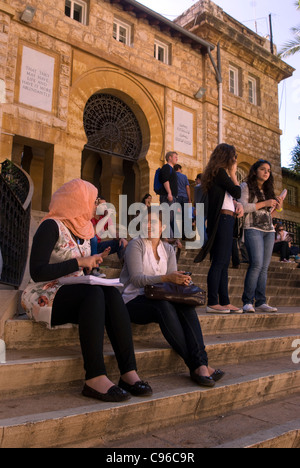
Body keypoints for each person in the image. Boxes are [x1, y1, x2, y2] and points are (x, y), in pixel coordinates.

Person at [21, 179, 152, 402]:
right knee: (93, 294)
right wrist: (80, 263)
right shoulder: (51, 225)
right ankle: (94, 378)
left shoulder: (85, 228)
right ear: (77, 200)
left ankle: (129, 372)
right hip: (46, 294)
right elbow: (38, 271)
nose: (94, 206)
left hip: (76, 291)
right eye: (92, 201)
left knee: (110, 293)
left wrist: (92, 262)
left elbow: (82, 264)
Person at [120, 207, 225, 388]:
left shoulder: (168, 249)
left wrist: (180, 280)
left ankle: (200, 364)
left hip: (159, 297)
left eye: (154, 223)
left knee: (185, 306)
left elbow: (170, 283)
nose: (149, 226)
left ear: (162, 227)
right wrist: (167, 278)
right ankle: (199, 365)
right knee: (163, 306)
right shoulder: (135, 245)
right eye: (146, 222)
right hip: (133, 300)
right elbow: (137, 280)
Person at [194, 144, 244, 314]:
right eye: (233, 156)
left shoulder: (217, 174)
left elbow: (231, 198)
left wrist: (237, 205)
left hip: (227, 219)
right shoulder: (221, 173)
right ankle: (213, 302)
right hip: (222, 219)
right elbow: (237, 191)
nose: (235, 160)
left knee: (223, 263)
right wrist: (233, 173)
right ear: (226, 157)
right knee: (219, 262)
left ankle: (225, 301)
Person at [239, 160, 283, 313]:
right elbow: (243, 207)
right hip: (252, 228)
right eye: (263, 169)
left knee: (264, 267)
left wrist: (277, 206)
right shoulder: (245, 187)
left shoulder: (268, 189)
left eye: (268, 170)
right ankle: (248, 301)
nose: (266, 172)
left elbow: (269, 214)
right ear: (255, 171)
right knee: (256, 264)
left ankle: (261, 301)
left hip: (269, 230)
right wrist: (264, 203)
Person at [159, 151, 179, 238]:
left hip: (172, 197)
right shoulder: (166, 167)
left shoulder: (172, 169)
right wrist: (169, 193)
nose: (177, 158)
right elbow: (165, 180)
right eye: (175, 157)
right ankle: (169, 240)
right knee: (166, 220)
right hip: (168, 197)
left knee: (168, 219)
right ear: (169, 158)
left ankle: (168, 239)